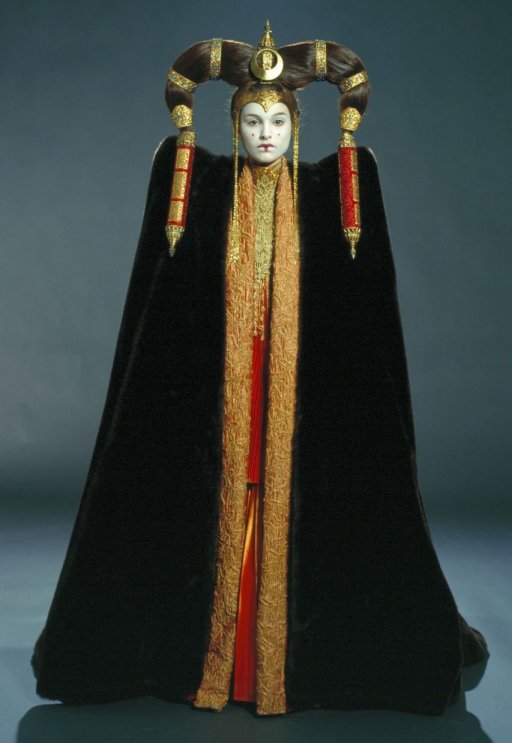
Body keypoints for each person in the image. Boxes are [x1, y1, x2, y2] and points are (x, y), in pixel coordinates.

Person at [32, 23, 486, 717]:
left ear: (296, 127)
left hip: (295, 390)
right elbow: (162, 313)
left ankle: (284, 666)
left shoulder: (330, 195)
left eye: (278, 121)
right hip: (224, 387)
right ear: (233, 125)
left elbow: (363, 324)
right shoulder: (202, 191)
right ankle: (212, 660)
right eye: (251, 121)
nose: (265, 134)